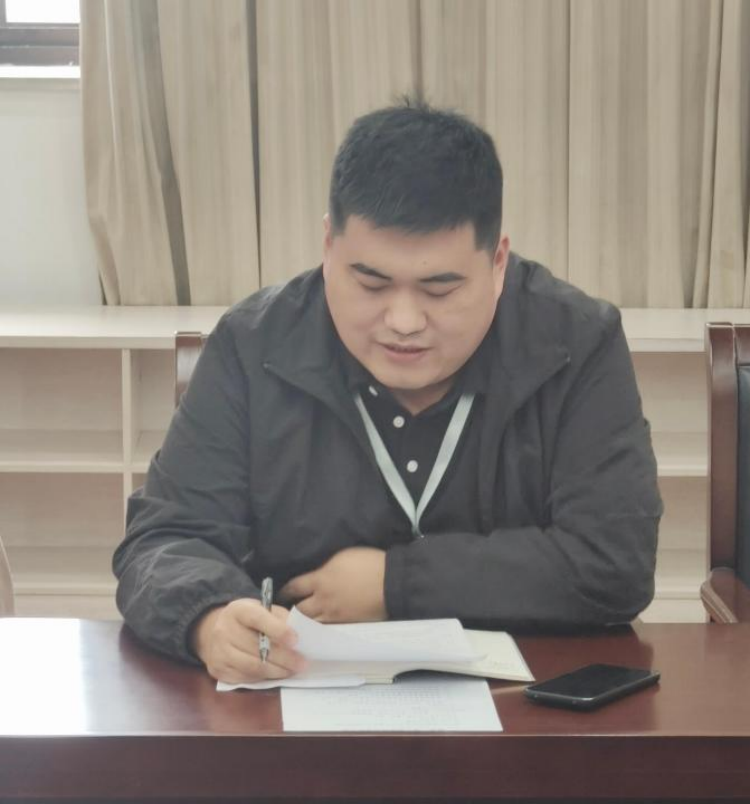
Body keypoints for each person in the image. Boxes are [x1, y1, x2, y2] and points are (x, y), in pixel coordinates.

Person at [114, 99, 662, 684]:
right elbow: (164, 539)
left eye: (440, 290)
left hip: (528, 709)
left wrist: (394, 583)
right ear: (329, 246)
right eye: (371, 283)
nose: (403, 322)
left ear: (498, 260)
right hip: (292, 703)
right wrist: (208, 619)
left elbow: (614, 561)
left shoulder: (575, 344)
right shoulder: (254, 346)